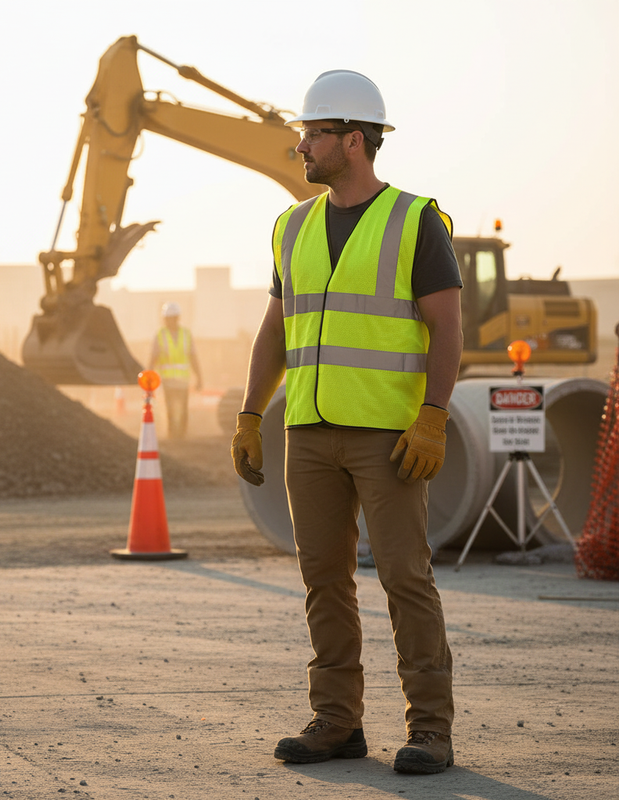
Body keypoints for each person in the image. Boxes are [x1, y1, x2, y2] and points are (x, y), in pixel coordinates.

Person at [231, 70, 463, 774]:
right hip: (309, 431)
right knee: (322, 578)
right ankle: (336, 722)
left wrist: (432, 418)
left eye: (313, 133)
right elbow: (274, 329)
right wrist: (249, 412)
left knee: (404, 577)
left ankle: (430, 730)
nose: (300, 146)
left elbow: (448, 328)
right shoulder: (292, 225)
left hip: (389, 437)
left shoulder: (415, 220)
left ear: (352, 141)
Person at [148, 301, 203, 438]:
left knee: (183, 409)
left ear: (177, 318)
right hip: (168, 380)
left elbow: (193, 357)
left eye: (171, 318)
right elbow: (153, 358)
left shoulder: (186, 334)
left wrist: (199, 377)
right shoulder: (160, 335)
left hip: (183, 380)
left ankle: (181, 435)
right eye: (167, 318)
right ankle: (173, 434)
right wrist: (149, 379)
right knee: (171, 408)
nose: (169, 321)